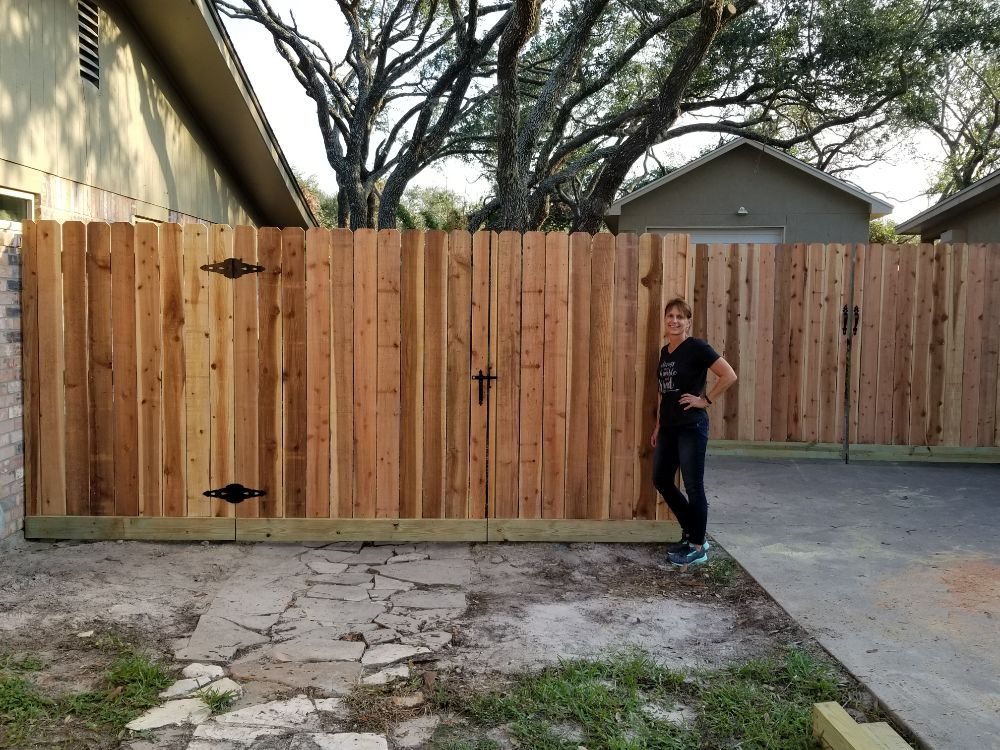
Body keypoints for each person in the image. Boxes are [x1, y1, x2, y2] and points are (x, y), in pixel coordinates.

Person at [651, 298, 737, 567]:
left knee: (693, 486)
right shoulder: (665, 352)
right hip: (668, 427)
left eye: (680, 316)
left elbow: (729, 375)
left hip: (691, 426)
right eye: (670, 316)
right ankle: (693, 532)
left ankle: (698, 547)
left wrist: (705, 400)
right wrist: (657, 426)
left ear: (688, 322)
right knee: (661, 479)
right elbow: (663, 393)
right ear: (665, 320)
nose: (674, 320)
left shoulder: (697, 347)